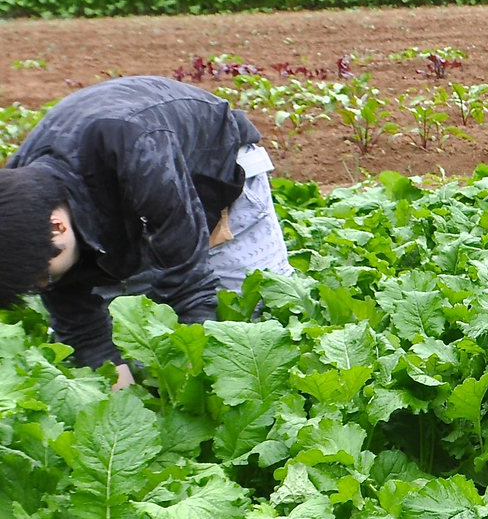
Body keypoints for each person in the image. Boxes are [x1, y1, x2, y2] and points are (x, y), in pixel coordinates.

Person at [0, 75, 293, 386]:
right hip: (119, 204)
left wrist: (194, 390)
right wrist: (122, 401)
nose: (48, 286)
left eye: (45, 278)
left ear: (56, 226)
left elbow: (189, 288)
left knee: (248, 328)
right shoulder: (20, 211)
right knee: (140, 351)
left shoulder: (136, 150)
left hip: (215, 171)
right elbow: (83, 330)